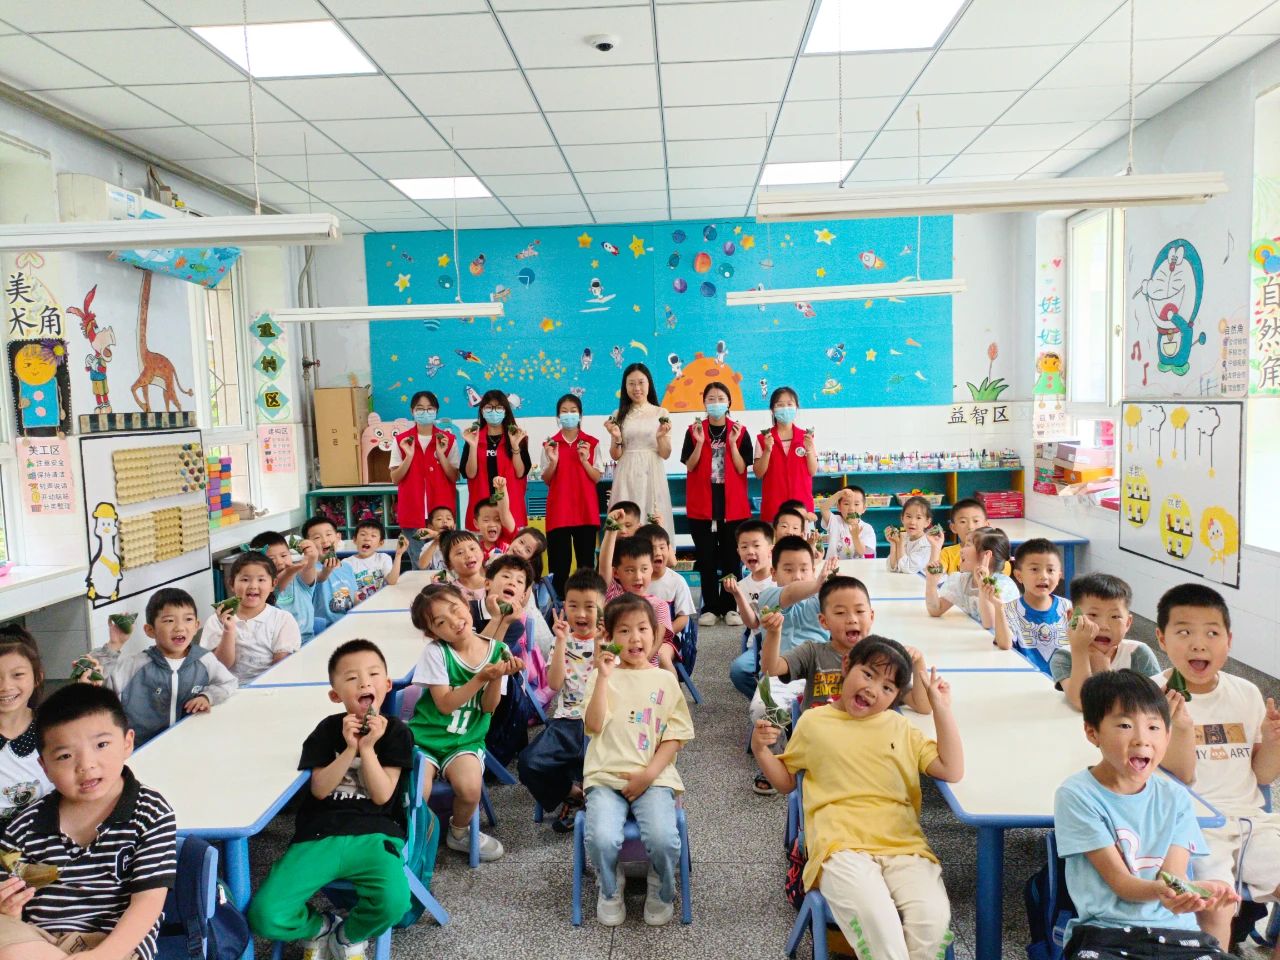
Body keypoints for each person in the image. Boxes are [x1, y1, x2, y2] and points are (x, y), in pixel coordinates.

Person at [753, 637, 962, 960]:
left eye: (888, 688)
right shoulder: (814, 722)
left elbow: (951, 769)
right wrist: (761, 750)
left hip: (905, 846)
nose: (873, 690)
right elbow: (785, 782)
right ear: (847, 665)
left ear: (896, 696)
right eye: (868, 674)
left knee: (932, 921)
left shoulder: (900, 726)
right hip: (839, 847)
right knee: (878, 922)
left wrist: (941, 709)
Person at [1053, 670, 1237, 960]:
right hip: (1106, 933)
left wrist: (1191, 892)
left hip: (1178, 934)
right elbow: (1121, 883)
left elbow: (1173, 877)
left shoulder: (1176, 797)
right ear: (1092, 732)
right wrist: (1165, 891)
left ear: (1168, 735)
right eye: (1125, 725)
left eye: (1153, 727)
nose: (1142, 739)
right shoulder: (1077, 795)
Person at [247, 640, 412, 960]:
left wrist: (367, 748)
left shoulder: (396, 732)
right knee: (265, 914)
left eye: (373, 674)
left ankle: (348, 935)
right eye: (351, 678)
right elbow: (320, 789)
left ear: (387, 685)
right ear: (336, 695)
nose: (364, 682)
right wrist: (349, 748)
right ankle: (318, 927)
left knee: (394, 903)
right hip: (319, 834)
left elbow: (382, 794)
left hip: (375, 834)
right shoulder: (326, 730)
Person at [0, 684, 175, 960]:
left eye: (101, 745)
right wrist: (8, 910)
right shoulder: (23, 827)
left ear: (127, 742)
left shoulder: (150, 812)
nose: (86, 765)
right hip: (38, 941)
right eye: (65, 756)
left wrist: (103, 955)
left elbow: (149, 900)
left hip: (112, 944)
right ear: (44, 766)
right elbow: (8, 890)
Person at [1155, 583, 1280, 950]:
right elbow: (1178, 777)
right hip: (1191, 828)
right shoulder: (1149, 697)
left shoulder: (1246, 692)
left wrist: (1273, 743)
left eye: (1212, 633)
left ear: (1229, 640)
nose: (1199, 644)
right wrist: (1178, 728)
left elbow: (1263, 776)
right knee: (1214, 906)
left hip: (1251, 822)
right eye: (1184, 632)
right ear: (1161, 638)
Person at [583, 594, 694, 927]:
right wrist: (603, 677)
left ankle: (661, 886)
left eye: (643, 628)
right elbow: (593, 725)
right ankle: (609, 886)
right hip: (605, 776)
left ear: (655, 633)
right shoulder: (600, 676)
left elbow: (675, 736)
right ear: (609, 637)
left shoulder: (665, 679)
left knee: (663, 837)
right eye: (624, 630)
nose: (635, 638)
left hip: (654, 778)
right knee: (601, 837)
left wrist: (648, 775)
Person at [407, 583, 525, 863]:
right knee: (418, 792)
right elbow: (445, 704)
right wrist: (481, 678)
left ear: (466, 603)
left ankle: (458, 832)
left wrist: (496, 677)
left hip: (466, 740)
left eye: (455, 609)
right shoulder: (436, 652)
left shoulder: (498, 649)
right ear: (432, 633)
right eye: (440, 622)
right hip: (425, 738)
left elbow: (488, 707)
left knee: (471, 788)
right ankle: (413, 836)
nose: (454, 621)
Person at [86, 587, 237, 744]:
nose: (180, 627)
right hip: (141, 748)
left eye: (188, 619)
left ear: (196, 626)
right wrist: (114, 644)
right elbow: (93, 683)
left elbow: (229, 683)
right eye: (169, 621)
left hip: (191, 743)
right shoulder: (136, 665)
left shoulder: (204, 660)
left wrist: (207, 696)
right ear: (150, 630)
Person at [517, 569, 607, 833]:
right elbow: (554, 684)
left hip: (602, 720)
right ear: (564, 606)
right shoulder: (563, 642)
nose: (581, 614)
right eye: (573, 605)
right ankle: (573, 794)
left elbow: (605, 678)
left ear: (603, 607)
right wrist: (559, 642)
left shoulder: (612, 641)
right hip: (567, 720)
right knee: (529, 763)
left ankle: (591, 800)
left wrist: (600, 643)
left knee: (595, 761)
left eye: (590, 606)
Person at [681, 382, 753, 627]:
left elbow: (742, 468)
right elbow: (690, 465)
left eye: (720, 398)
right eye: (711, 399)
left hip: (733, 505)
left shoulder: (740, 431)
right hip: (702, 504)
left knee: (732, 558)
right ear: (704, 403)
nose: (716, 403)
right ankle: (710, 607)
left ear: (729, 402)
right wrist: (700, 442)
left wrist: (732, 443)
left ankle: (730, 606)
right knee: (707, 559)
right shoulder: (694, 431)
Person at [729, 535, 832, 700]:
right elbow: (790, 592)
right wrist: (816, 585)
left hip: (819, 674)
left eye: (804, 569)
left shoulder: (822, 599)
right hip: (778, 677)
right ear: (774, 573)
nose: (797, 576)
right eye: (788, 570)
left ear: (814, 572)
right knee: (763, 712)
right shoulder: (767, 596)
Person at [1052, 574, 1160, 711]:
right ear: (1072, 617)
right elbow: (1082, 703)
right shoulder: (1064, 656)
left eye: (1115, 617)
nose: (1104, 626)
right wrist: (1079, 650)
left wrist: (1103, 671)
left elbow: (1156, 702)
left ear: (1128, 623)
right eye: (1093, 615)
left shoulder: (1138, 653)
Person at [201, 551, 302, 684]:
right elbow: (220, 666)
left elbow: (281, 667)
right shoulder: (216, 621)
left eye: (261, 580)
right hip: (226, 688)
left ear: (273, 584)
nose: (253, 586)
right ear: (231, 584)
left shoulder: (283, 619)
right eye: (245, 580)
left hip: (268, 687)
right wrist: (228, 630)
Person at [541, 393, 604, 598]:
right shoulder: (550, 444)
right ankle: (558, 605)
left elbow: (596, 477)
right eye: (564, 411)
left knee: (586, 565)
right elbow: (547, 479)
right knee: (559, 565)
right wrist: (553, 462)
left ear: (580, 415)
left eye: (573, 411)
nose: (569, 415)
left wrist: (585, 460)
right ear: (558, 416)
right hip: (559, 512)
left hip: (585, 510)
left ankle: (588, 602)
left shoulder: (591, 443)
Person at [389, 390, 460, 567]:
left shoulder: (448, 439)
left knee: (446, 563)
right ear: (412, 411)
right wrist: (409, 456)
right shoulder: (401, 440)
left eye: (430, 408)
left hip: (442, 517)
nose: (425, 412)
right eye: (420, 408)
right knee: (419, 565)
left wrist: (441, 454)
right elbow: (395, 478)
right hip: (412, 514)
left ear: (436, 411)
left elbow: (454, 476)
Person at [604, 363, 674, 536]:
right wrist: (617, 437)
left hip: (652, 472)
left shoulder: (661, 413)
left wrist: (660, 437)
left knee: (652, 520)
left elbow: (665, 454)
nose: (637, 388)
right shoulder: (618, 414)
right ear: (625, 386)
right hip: (626, 472)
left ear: (649, 384)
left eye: (641, 382)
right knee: (625, 520)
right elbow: (615, 455)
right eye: (631, 383)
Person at [596, 523, 675, 673]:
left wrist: (639, 665)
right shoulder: (613, 594)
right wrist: (611, 530)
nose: (638, 576)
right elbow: (604, 564)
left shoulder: (659, 605)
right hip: (615, 669)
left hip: (646, 670)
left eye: (644, 569)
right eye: (630, 570)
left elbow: (657, 640)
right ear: (616, 573)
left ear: (651, 568)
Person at [993, 538, 1070, 670]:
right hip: (1026, 678)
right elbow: (1004, 644)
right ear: (1019, 576)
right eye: (1034, 569)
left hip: (1064, 680)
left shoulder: (1067, 607)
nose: (1043, 576)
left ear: (1059, 576)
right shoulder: (1009, 610)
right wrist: (999, 608)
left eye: (1050, 570)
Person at [0, 628, 51, 823]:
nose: (5, 686)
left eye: (18, 674)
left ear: (37, 677)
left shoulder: (53, 729)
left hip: (49, 834)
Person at [924, 526, 1017, 629]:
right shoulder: (962, 580)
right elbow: (936, 610)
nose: (961, 551)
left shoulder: (1003, 586)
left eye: (968, 545)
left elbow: (989, 624)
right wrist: (931, 582)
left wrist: (983, 584)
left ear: (986, 555)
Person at [463, 390, 530, 530]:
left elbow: (520, 473)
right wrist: (473, 446)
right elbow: (470, 474)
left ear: (506, 411)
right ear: (482, 411)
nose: (494, 411)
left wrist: (515, 446)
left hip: (512, 513)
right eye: (489, 407)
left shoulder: (518, 437)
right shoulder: (473, 438)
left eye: (499, 407)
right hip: (482, 513)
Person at [754, 387, 817, 526]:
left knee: (803, 540)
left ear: (796, 407)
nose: (785, 408)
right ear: (772, 409)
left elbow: (813, 471)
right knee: (774, 540)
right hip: (774, 509)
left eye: (789, 404)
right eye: (780, 405)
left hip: (802, 509)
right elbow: (758, 473)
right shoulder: (763, 438)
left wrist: (809, 449)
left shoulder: (806, 437)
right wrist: (767, 450)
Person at [250, 531, 318, 643]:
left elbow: (309, 568)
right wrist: (289, 572)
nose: (280, 562)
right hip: (278, 645)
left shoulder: (300, 579)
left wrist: (311, 558)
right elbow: (276, 586)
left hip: (307, 641)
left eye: (284, 555)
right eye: (271, 559)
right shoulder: (261, 589)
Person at [636, 523, 695, 640]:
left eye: (662, 547)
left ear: (669, 549)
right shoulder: (636, 580)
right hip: (638, 637)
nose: (658, 552)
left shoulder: (677, 581)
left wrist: (661, 637)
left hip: (669, 638)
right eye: (652, 548)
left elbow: (683, 617)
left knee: (663, 652)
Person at [723, 519, 776, 633]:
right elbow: (752, 624)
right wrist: (737, 594)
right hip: (758, 641)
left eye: (756, 545)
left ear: (771, 550)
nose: (750, 551)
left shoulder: (783, 579)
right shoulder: (742, 585)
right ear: (738, 552)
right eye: (744, 547)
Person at [938, 498, 1008, 575]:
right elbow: (935, 574)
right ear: (953, 528)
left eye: (976, 521)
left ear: (987, 525)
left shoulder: (997, 558)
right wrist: (935, 547)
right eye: (963, 522)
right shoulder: (947, 553)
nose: (970, 527)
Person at [343, 519, 405, 605]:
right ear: (354, 540)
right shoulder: (346, 563)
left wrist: (398, 555)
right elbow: (344, 590)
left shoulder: (384, 558)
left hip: (383, 603)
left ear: (381, 543)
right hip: (359, 607)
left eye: (373, 536)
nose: (367, 538)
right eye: (363, 534)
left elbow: (392, 581)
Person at [508, 526, 555, 622]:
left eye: (527, 550)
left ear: (530, 559)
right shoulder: (495, 557)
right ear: (515, 538)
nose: (520, 549)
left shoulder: (525, 575)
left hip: (520, 619)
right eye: (521, 542)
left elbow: (523, 604)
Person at [822, 486, 875, 561]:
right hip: (833, 566)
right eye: (846, 504)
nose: (851, 508)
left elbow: (862, 552)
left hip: (857, 567)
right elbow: (823, 509)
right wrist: (839, 494)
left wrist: (855, 537)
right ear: (839, 507)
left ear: (864, 508)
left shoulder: (867, 528)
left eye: (856, 504)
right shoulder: (835, 521)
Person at [886, 495, 934, 575]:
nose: (912, 522)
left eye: (918, 518)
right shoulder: (905, 537)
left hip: (923, 581)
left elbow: (907, 569)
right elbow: (892, 567)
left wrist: (900, 542)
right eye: (908, 516)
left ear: (927, 522)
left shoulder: (926, 544)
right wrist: (893, 543)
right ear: (902, 518)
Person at [473, 479, 517, 562]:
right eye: (486, 520)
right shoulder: (475, 550)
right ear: (476, 524)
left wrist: (501, 489)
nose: (492, 524)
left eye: (497, 520)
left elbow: (504, 510)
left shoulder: (508, 539)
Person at [414, 505, 457, 574]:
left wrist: (436, 535)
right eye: (439, 519)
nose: (445, 521)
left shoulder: (459, 541)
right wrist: (435, 542)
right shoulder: (428, 546)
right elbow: (422, 566)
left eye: (448, 519)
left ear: (454, 526)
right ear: (430, 527)